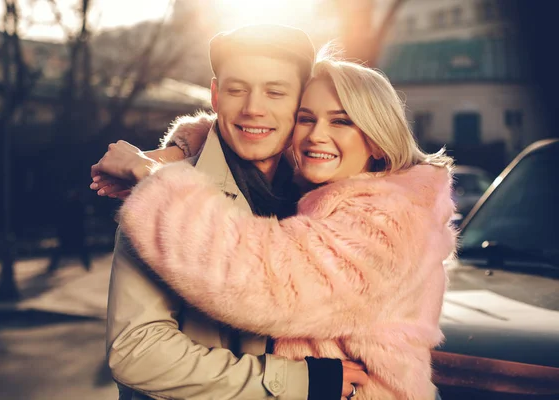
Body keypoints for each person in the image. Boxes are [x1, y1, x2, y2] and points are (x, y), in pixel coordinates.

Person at [116, 56, 457, 399]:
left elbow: (256, 277)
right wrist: (185, 149)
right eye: (306, 119)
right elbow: (255, 130)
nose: (316, 136)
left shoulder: (388, 219)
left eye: (341, 121)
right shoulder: (323, 190)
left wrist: (154, 178)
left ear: (378, 141)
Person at [97, 25, 366, 400]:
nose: (253, 108)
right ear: (215, 95)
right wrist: (297, 382)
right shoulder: (159, 197)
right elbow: (137, 352)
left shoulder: (328, 190)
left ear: (301, 101)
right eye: (236, 90)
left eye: (275, 92)